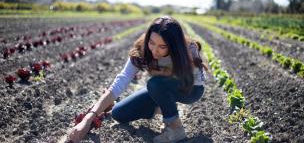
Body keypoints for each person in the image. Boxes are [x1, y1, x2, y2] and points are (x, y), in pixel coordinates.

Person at [66, 16, 208, 143]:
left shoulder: (187, 51)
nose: (154, 50)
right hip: (161, 88)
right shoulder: (142, 50)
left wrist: (168, 74)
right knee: (119, 113)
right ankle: (164, 107)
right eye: (151, 42)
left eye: (162, 46)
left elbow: (198, 83)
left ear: (173, 45)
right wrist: (87, 120)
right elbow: (121, 80)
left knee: (155, 83)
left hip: (191, 89)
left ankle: (176, 130)